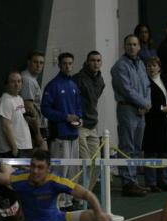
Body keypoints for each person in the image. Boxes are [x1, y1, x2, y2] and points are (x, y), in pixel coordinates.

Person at [41, 52, 82, 210]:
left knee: (73, 170)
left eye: (70, 63)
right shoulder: (53, 85)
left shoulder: (73, 85)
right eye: (64, 63)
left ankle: (70, 201)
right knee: (60, 171)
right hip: (60, 136)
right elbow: (45, 109)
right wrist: (65, 117)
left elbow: (78, 107)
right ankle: (58, 203)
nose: (68, 66)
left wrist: (80, 118)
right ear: (59, 65)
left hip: (74, 135)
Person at [111, 34, 150, 197]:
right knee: (127, 147)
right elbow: (127, 90)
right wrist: (142, 103)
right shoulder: (120, 66)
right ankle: (128, 182)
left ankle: (134, 180)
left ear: (139, 47)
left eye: (135, 44)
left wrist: (147, 104)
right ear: (124, 46)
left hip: (141, 112)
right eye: (129, 44)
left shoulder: (140, 64)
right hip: (127, 109)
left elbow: (147, 85)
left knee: (136, 148)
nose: (132, 47)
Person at [142, 56, 167, 192]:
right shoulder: (144, 82)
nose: (151, 68)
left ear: (159, 67)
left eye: (154, 65)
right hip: (153, 121)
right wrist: (161, 109)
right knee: (152, 152)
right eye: (148, 66)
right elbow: (145, 102)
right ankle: (151, 182)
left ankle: (166, 180)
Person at [73, 51, 105, 190]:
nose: (95, 63)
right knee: (85, 163)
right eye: (92, 60)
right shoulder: (77, 79)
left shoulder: (100, 80)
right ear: (87, 62)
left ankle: (85, 196)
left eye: (98, 60)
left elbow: (94, 101)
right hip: (80, 126)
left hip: (93, 125)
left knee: (97, 164)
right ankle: (75, 194)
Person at [0, 70, 33, 158]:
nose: (17, 84)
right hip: (14, 149)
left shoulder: (19, 99)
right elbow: (5, 126)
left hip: (25, 146)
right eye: (13, 82)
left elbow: (20, 120)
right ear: (7, 83)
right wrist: (14, 148)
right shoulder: (5, 101)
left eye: (19, 81)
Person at [21, 52, 48, 150]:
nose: (38, 65)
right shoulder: (28, 80)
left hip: (37, 126)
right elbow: (29, 107)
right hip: (34, 128)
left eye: (41, 63)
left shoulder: (31, 79)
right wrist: (37, 133)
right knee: (42, 159)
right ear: (29, 63)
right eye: (35, 62)